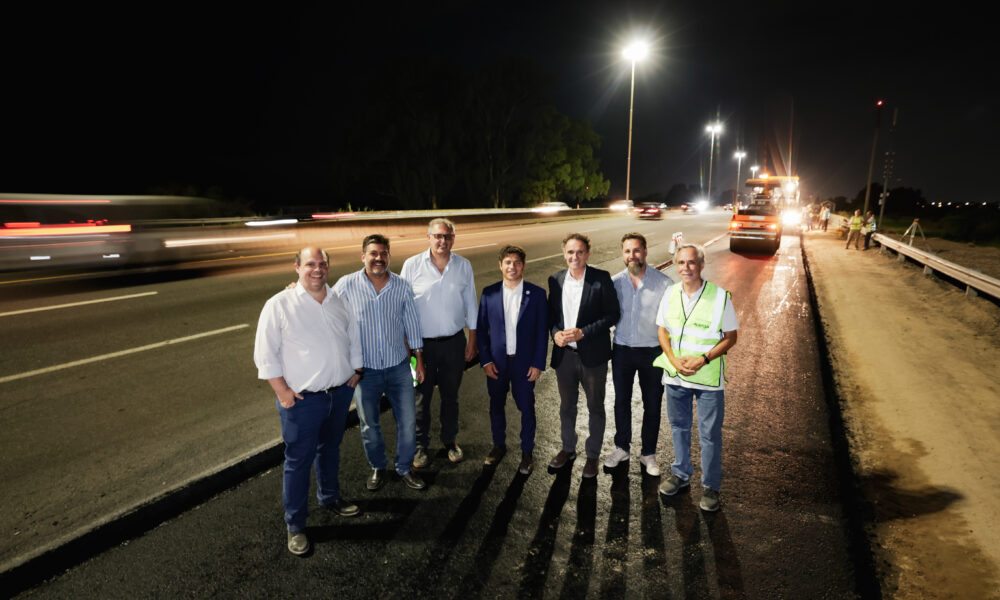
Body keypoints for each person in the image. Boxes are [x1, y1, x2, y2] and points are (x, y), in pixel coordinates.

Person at [254, 247, 364, 556]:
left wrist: (356, 371)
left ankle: (330, 497)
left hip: (338, 395)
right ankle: (296, 524)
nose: (317, 269)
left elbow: (353, 337)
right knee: (298, 461)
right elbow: (265, 353)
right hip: (303, 402)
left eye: (322, 264)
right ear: (297, 267)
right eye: (310, 264)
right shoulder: (280, 304)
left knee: (330, 450)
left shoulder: (338, 300)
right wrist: (282, 392)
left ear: (328, 267)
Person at [334, 234, 427, 492]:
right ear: (363, 256)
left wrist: (419, 361)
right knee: (369, 424)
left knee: (408, 421)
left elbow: (412, 325)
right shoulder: (346, 285)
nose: (378, 258)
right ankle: (378, 466)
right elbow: (324, 306)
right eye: (373, 253)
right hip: (366, 372)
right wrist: (296, 290)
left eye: (383, 253)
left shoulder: (401, 286)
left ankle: (404, 467)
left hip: (399, 367)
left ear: (389, 256)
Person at [655, 243, 739, 512]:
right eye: (681, 262)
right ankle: (681, 474)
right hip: (676, 377)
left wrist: (703, 359)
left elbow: (731, 338)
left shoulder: (720, 297)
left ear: (702, 265)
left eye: (692, 262)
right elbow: (662, 330)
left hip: (708, 380)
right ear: (675, 265)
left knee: (710, 435)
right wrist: (672, 359)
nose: (686, 267)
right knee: (679, 428)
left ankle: (711, 486)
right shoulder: (670, 293)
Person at [400, 218, 478, 469]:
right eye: (438, 236)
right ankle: (420, 446)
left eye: (447, 236)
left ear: (453, 239)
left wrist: (472, 339)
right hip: (419, 347)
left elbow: (471, 304)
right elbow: (402, 307)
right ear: (429, 237)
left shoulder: (463, 266)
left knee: (450, 397)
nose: (442, 241)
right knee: (418, 399)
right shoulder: (411, 265)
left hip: (454, 344)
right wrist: (408, 348)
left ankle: (450, 441)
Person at [547, 233, 621, 478]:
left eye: (580, 252)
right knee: (566, 406)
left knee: (595, 407)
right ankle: (568, 448)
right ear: (564, 254)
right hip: (565, 357)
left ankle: (592, 455)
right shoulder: (556, 280)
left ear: (587, 253)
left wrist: (584, 333)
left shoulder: (601, 278)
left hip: (593, 357)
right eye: (570, 252)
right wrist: (556, 334)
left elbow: (612, 315)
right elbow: (551, 317)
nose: (575, 256)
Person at [605, 233, 673, 476]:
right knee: (621, 401)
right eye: (627, 251)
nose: (631, 255)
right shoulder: (614, 283)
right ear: (622, 254)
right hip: (622, 350)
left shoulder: (664, 283)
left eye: (636, 250)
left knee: (652, 404)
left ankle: (648, 453)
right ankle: (621, 448)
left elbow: (671, 321)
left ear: (645, 251)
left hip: (652, 352)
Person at [477, 245, 548, 475]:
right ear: (500, 265)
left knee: (526, 407)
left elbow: (542, 332)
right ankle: (498, 446)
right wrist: (486, 361)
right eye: (508, 262)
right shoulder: (489, 293)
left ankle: (527, 452)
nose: (512, 267)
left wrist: (538, 363)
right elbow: (481, 331)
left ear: (523, 265)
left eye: (517, 262)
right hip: (497, 363)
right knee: (496, 405)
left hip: (524, 364)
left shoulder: (537, 294)